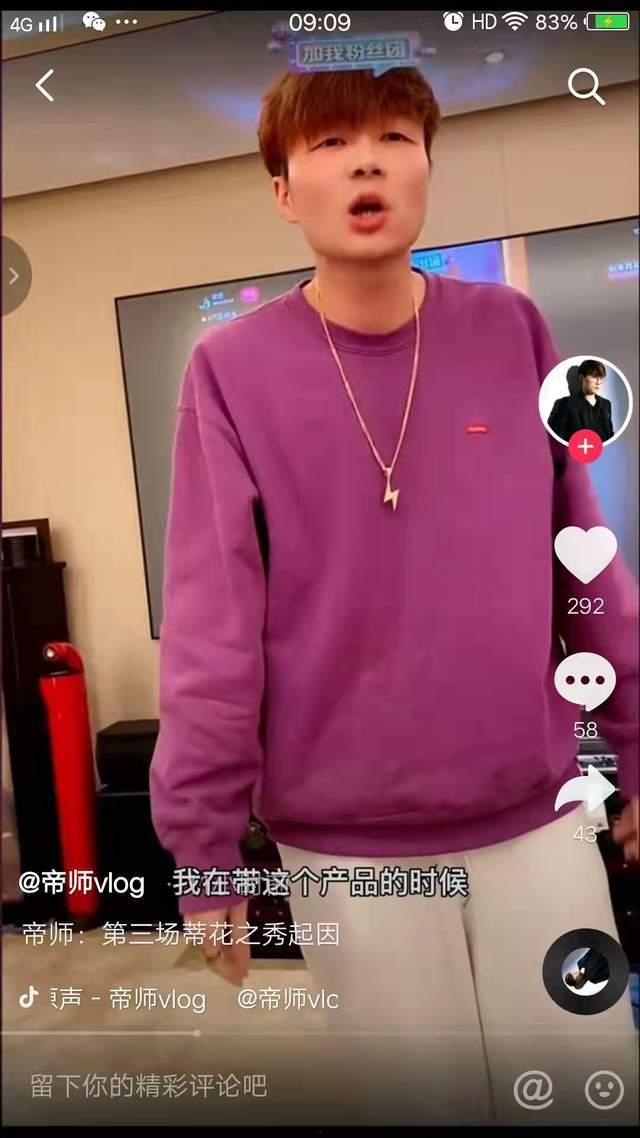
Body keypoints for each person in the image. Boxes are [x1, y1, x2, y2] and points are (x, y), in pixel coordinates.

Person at [149, 66, 639, 1124]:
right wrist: (204, 852)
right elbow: (211, 626)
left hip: (536, 816)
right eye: (329, 144)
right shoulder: (229, 370)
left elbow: (583, 560)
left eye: (392, 138)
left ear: (425, 167)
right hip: (347, 845)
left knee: (586, 1091)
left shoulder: (511, 329)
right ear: (284, 191)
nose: (364, 161)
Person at [547, 358, 615, 442]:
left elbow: (610, 434)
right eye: (594, 377)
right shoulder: (566, 404)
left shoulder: (606, 404)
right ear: (581, 378)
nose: (598, 382)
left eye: (601, 377)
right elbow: (555, 438)